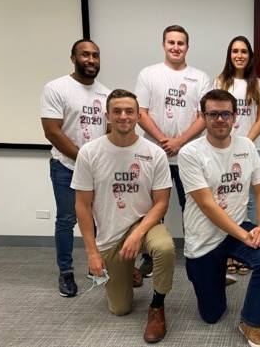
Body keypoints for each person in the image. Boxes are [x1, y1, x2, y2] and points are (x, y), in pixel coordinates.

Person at [72, 89, 175, 343]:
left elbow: (162, 203)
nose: (123, 116)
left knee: (164, 248)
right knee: (120, 309)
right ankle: (129, 272)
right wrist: (92, 253)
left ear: (139, 115)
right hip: (110, 233)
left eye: (129, 111)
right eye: (117, 111)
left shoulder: (154, 153)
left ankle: (157, 306)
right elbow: (83, 206)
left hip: (144, 223)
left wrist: (139, 233)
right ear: (107, 115)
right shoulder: (90, 152)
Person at [178, 90, 260, 347]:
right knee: (212, 315)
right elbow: (208, 205)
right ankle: (214, 275)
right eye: (213, 114)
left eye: (226, 113)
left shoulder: (245, 146)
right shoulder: (190, 153)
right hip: (204, 236)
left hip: (236, 228)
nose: (220, 119)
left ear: (235, 116)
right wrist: (246, 236)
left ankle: (250, 321)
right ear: (203, 117)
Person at [134, 25, 211, 277]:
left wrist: (179, 141)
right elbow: (140, 112)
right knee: (152, 205)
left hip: (188, 155)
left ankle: (194, 254)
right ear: (164, 45)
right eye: (171, 43)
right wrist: (163, 140)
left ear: (187, 46)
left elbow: (204, 116)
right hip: (154, 155)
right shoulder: (148, 74)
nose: (176, 47)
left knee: (192, 206)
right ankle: (149, 256)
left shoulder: (200, 78)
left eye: (181, 43)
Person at [41, 39, 111, 297]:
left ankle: (102, 266)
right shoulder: (57, 88)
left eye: (95, 55)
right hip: (66, 166)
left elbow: (110, 131)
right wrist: (83, 159)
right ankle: (66, 272)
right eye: (85, 55)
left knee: (101, 220)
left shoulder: (105, 93)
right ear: (73, 58)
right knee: (66, 220)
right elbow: (52, 131)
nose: (91, 60)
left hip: (98, 170)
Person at [215, 36, 260, 276]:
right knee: (227, 200)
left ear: (250, 56)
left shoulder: (258, 84)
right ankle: (228, 254)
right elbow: (214, 114)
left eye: (244, 51)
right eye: (235, 51)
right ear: (229, 54)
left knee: (250, 200)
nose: (239, 55)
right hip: (224, 149)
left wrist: (245, 143)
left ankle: (246, 249)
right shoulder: (219, 81)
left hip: (250, 147)